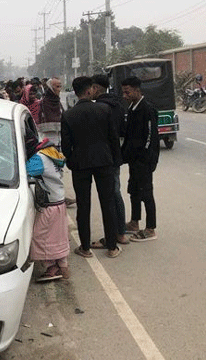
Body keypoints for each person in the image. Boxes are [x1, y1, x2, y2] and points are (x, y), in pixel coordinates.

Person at [61, 76, 122, 258]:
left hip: (80, 165)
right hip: (104, 162)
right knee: (108, 203)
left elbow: (66, 146)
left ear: (76, 92)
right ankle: (111, 247)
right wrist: (114, 161)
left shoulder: (68, 115)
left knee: (83, 206)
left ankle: (85, 247)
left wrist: (72, 162)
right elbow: (113, 139)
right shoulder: (104, 110)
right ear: (89, 91)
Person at [26, 132, 70, 281]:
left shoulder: (38, 158)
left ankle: (51, 267)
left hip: (49, 204)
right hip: (59, 201)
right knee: (58, 236)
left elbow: (24, 173)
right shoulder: (51, 153)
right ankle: (63, 265)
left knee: (41, 236)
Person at [92, 74, 130, 246]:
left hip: (104, 157)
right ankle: (121, 232)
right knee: (116, 192)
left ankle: (113, 236)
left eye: (91, 87)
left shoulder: (100, 107)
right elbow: (122, 130)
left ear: (96, 88)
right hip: (116, 155)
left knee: (109, 196)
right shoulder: (118, 104)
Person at [121, 76, 160, 241]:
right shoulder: (132, 108)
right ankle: (134, 222)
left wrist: (146, 158)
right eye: (123, 92)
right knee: (134, 191)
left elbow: (151, 137)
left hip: (144, 160)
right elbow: (129, 136)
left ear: (137, 90)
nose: (125, 95)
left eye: (127, 91)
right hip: (134, 160)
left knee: (146, 193)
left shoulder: (147, 109)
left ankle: (150, 228)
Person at [38, 77, 63, 144]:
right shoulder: (45, 102)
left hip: (59, 137)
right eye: (57, 87)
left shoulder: (57, 101)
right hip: (48, 138)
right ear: (51, 88)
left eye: (60, 86)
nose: (59, 89)